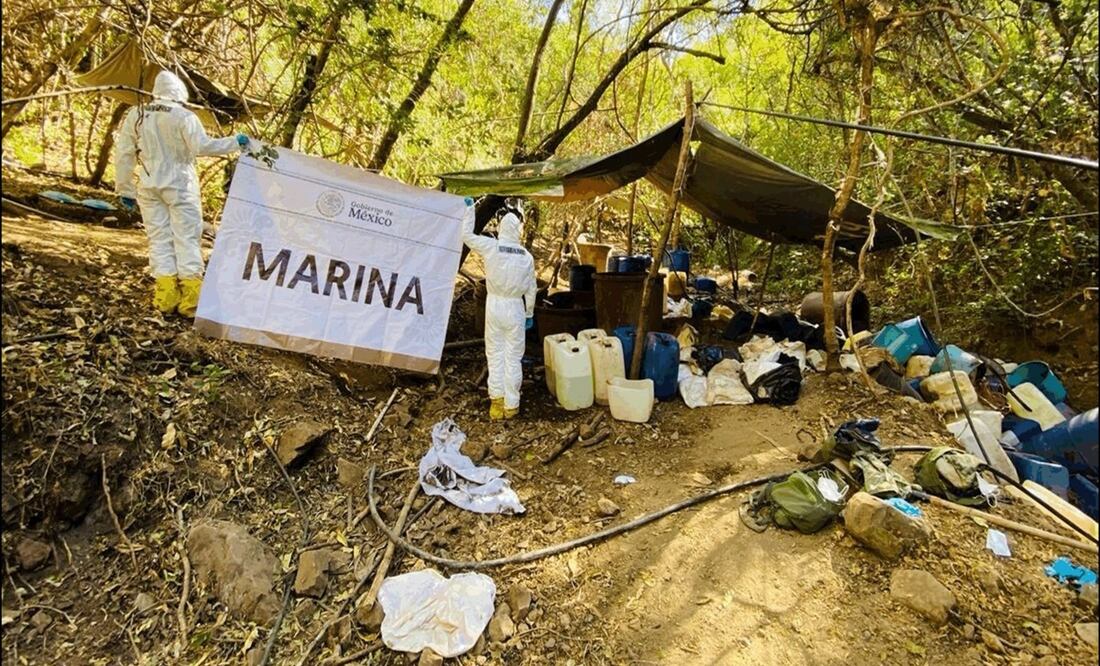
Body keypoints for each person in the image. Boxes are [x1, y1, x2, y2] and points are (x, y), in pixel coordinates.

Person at [115, 70, 250, 317]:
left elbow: (124, 153)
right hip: (180, 185)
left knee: (159, 238)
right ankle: (191, 300)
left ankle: (165, 296)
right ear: (179, 93)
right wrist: (235, 142)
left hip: (149, 185)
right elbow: (202, 147)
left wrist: (125, 189)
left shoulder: (137, 114)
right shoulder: (184, 117)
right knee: (186, 238)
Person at [461, 198, 537, 420]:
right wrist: (529, 314)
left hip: (494, 306)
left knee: (494, 354)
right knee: (513, 357)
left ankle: (496, 403)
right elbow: (531, 290)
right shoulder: (526, 256)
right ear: (518, 231)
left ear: (502, 228)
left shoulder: (491, 247)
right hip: (516, 308)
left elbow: (466, 236)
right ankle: (512, 406)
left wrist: (469, 210)